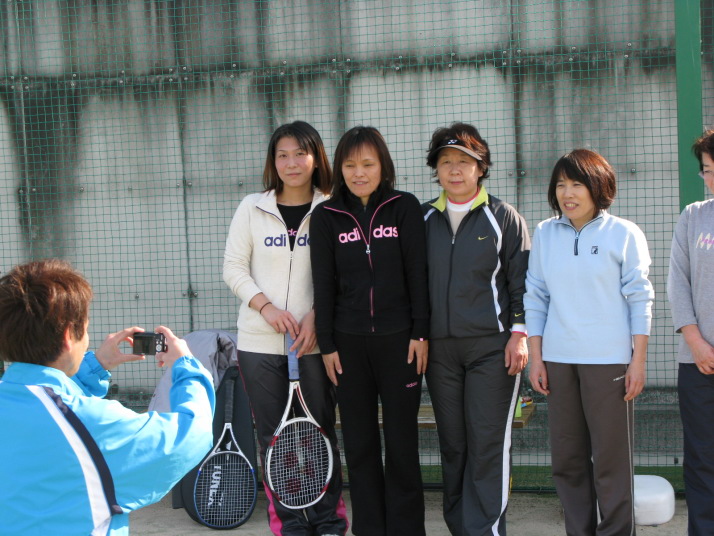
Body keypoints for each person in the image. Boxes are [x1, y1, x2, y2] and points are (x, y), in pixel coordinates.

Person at [0, 259, 215, 536]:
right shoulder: (96, 425)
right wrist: (186, 367)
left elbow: (46, 403)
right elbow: (190, 434)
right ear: (69, 335)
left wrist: (95, 366)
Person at [223, 120, 348, 536]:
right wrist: (266, 307)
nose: (291, 163)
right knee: (273, 438)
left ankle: (329, 520)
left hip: (314, 344)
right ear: (272, 161)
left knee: (320, 432)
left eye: (300, 153)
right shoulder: (251, 207)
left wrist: (317, 316)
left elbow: (343, 272)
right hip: (258, 345)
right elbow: (233, 268)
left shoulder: (334, 207)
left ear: (316, 158)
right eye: (282, 155)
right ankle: (290, 523)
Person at [525, 149, 654, 536]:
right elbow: (536, 296)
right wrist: (536, 357)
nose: (567, 193)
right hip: (558, 361)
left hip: (610, 362)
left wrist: (637, 361)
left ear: (598, 186)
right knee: (568, 460)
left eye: (577, 184)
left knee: (611, 461)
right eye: (561, 185)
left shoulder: (624, 233)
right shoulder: (545, 233)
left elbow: (640, 298)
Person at [310, 126, 430, 536]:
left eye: (367, 164)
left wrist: (420, 333)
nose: (359, 173)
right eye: (350, 165)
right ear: (339, 169)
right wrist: (327, 343)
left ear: (383, 166)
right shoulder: (326, 216)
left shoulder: (404, 207)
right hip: (348, 347)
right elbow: (322, 284)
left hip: (401, 345)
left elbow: (418, 275)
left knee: (401, 445)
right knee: (359, 447)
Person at [421, 122, 530, 535]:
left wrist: (518, 334)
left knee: (487, 443)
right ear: (436, 169)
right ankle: (460, 526)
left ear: (481, 167)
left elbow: (522, 283)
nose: (455, 170)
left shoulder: (503, 217)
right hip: (440, 352)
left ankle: (486, 530)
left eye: (464, 161)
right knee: (453, 444)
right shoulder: (423, 218)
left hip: (491, 349)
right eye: (446, 161)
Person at [668, 129, 714, 536]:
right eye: (707, 170)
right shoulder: (693, 216)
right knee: (702, 459)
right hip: (698, 362)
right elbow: (677, 283)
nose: (711, 178)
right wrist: (695, 341)